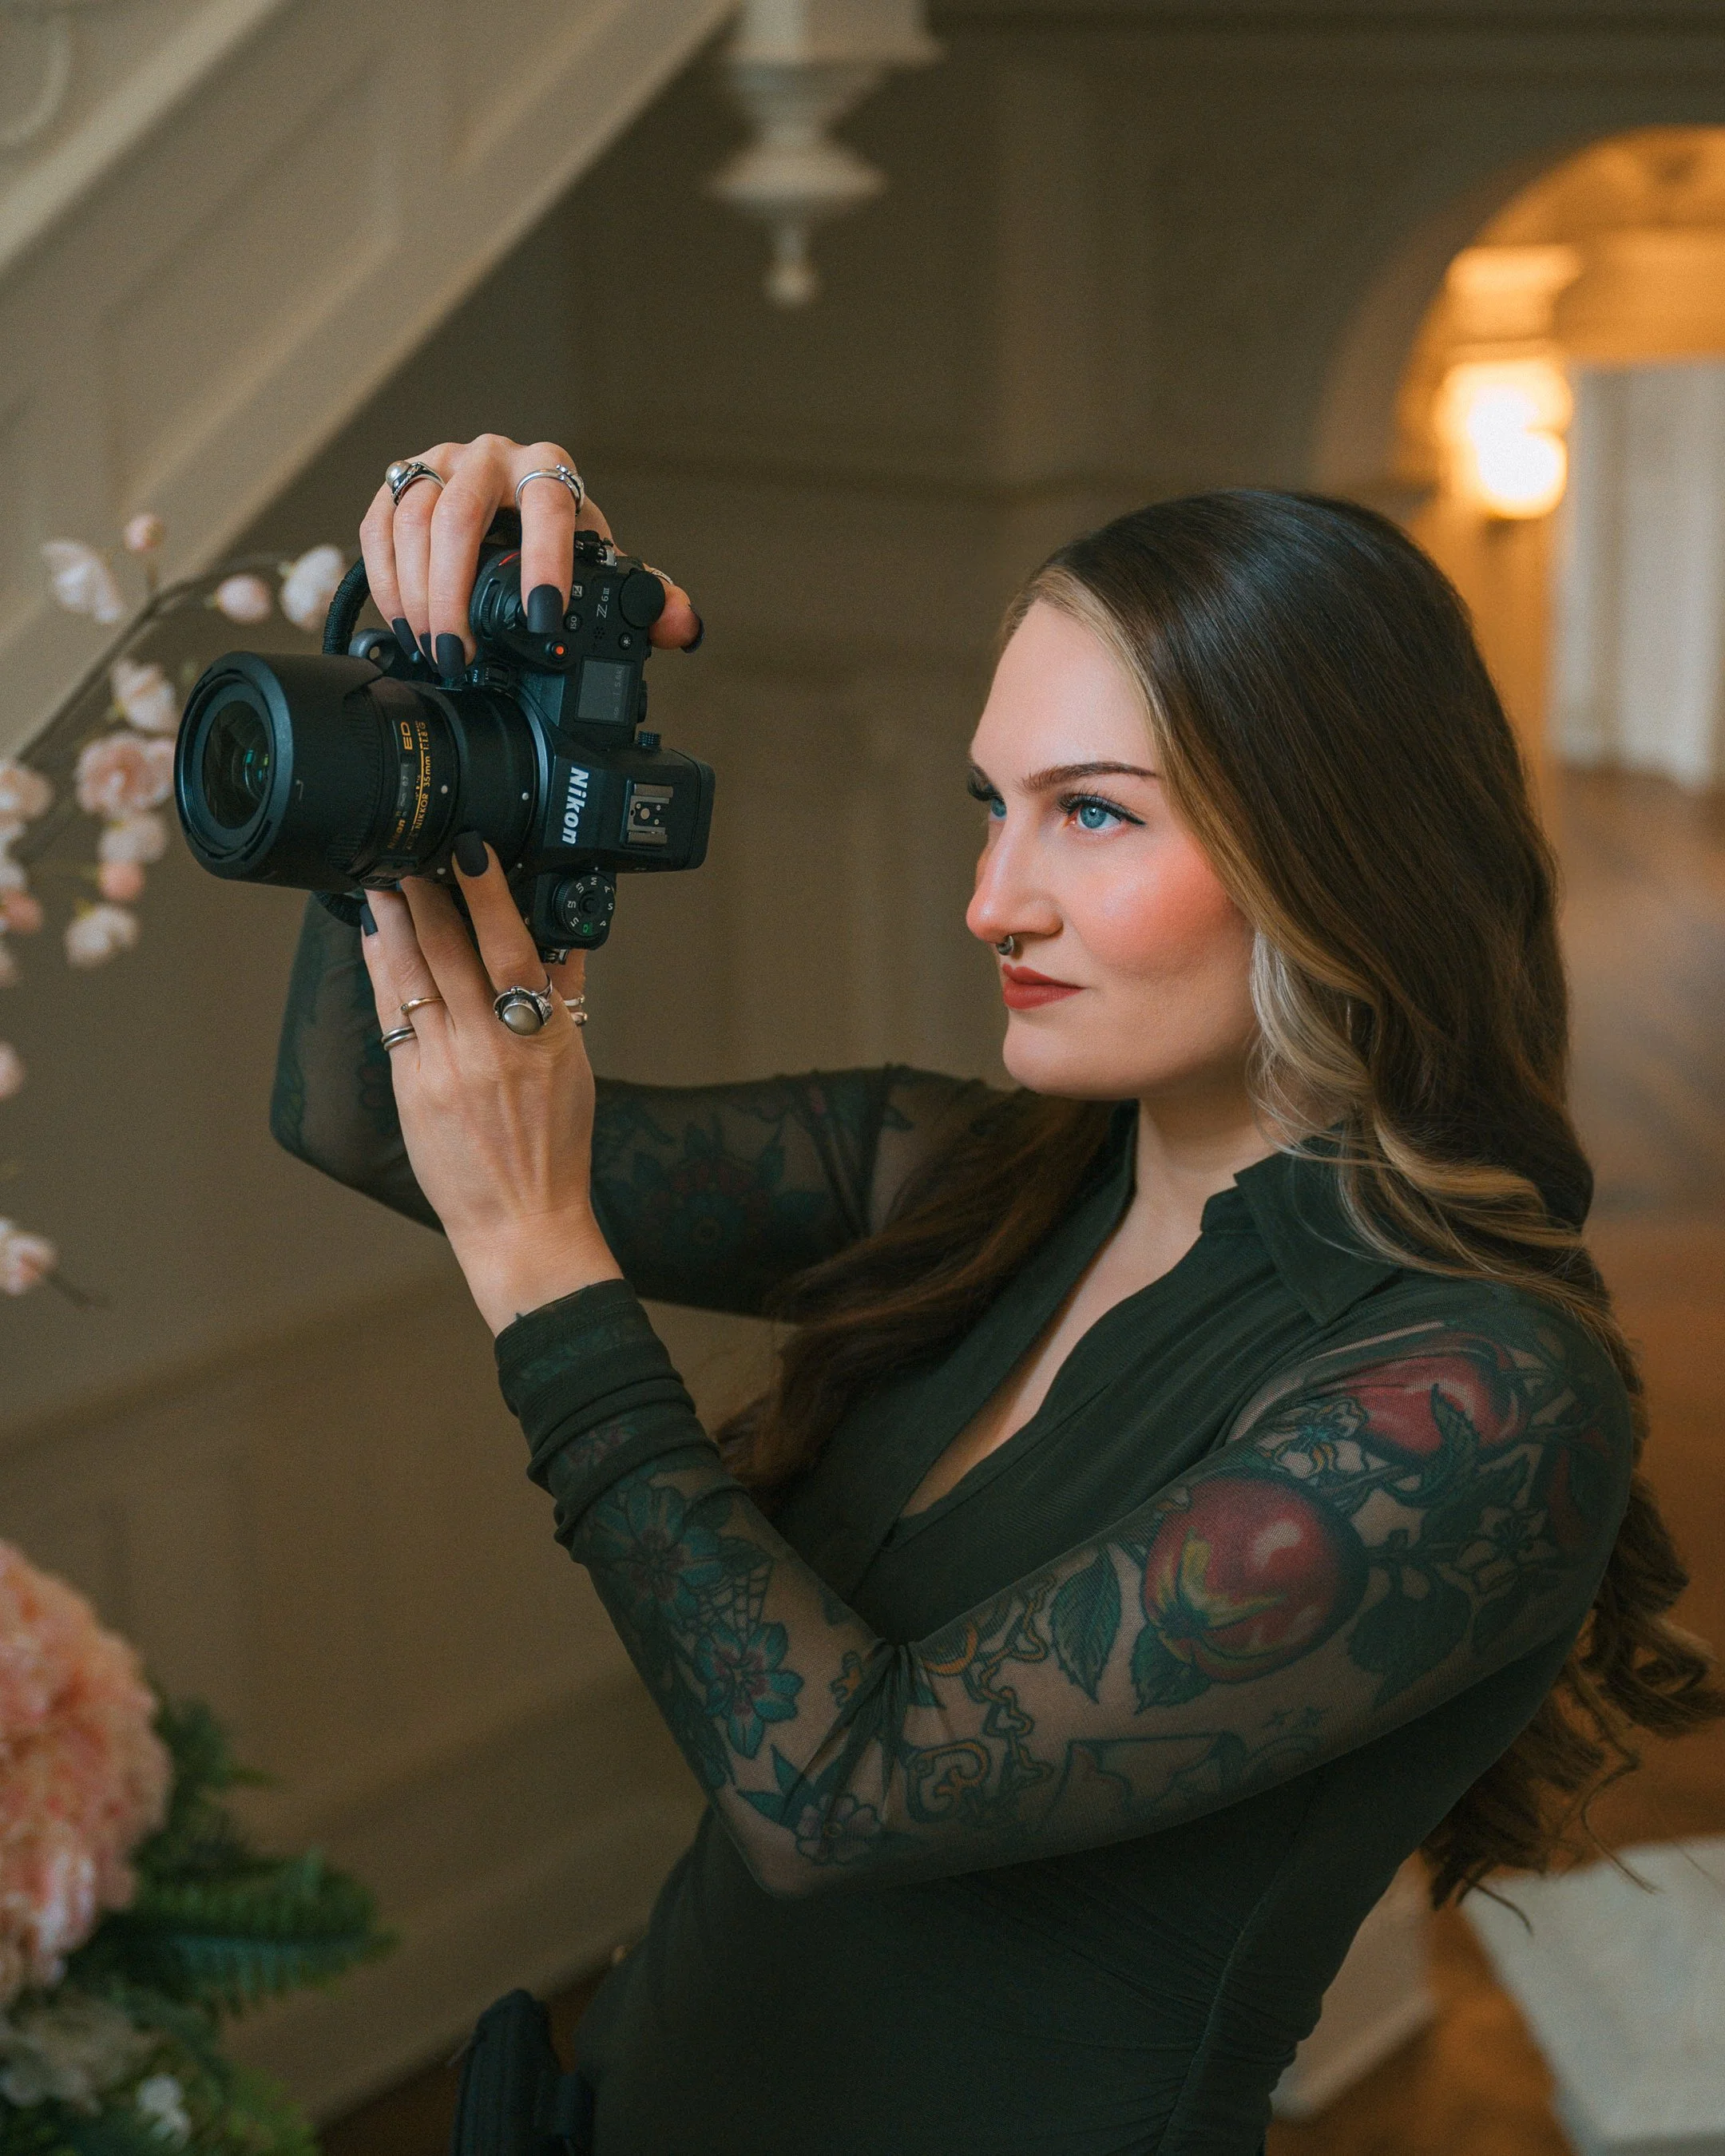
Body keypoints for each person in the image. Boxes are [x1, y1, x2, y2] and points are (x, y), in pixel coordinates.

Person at [272, 436, 1718, 2156]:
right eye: (994, 804)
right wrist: (436, 683)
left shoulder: (1474, 1400)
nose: (992, 902)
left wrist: (541, 1256)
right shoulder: (955, 1173)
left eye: (1091, 811)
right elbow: (364, 1115)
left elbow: (840, 1791)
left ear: (1337, 851)